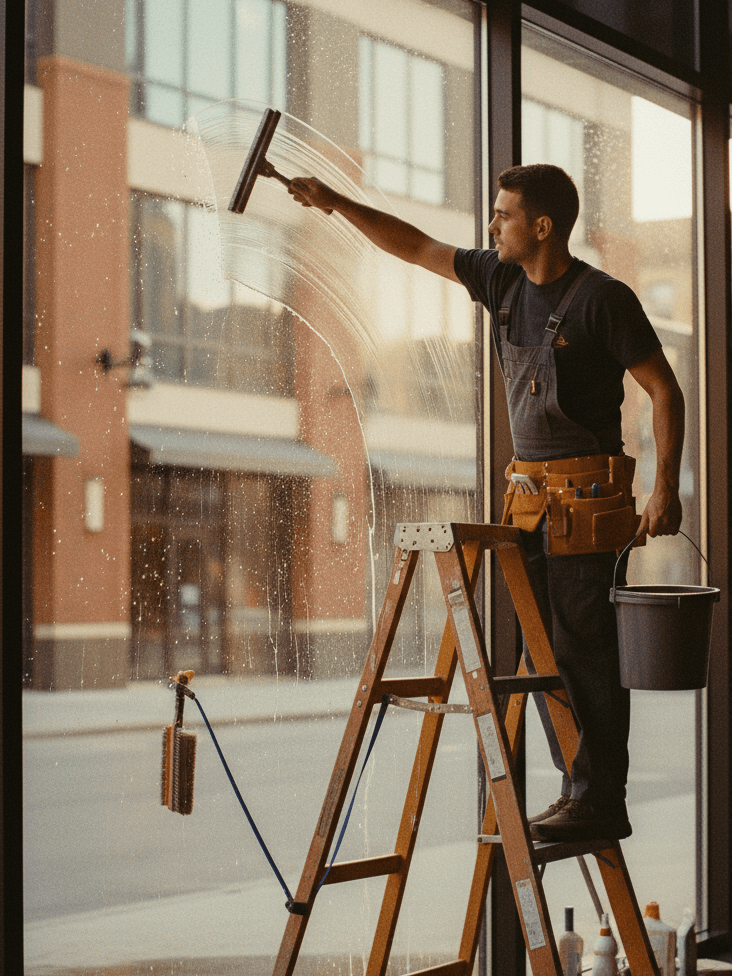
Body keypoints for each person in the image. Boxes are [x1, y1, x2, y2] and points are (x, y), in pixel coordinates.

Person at [288, 164, 684, 841]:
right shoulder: (500, 278)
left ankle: (600, 798)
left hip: (587, 503)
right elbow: (415, 245)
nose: (492, 225)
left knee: (586, 651)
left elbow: (664, 389)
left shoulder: (603, 299)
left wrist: (665, 486)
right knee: (543, 653)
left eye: (504, 215)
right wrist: (334, 203)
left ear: (542, 226)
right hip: (528, 501)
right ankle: (579, 789)